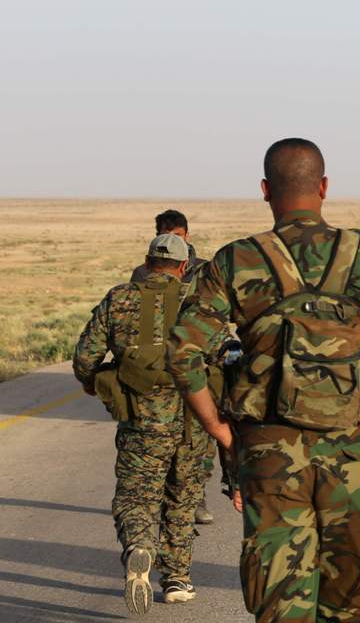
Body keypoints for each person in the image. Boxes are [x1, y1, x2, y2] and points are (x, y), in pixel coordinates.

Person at [167, 137, 360, 622]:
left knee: (281, 600)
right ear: (325, 187)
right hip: (358, 455)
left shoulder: (237, 260)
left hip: (271, 458)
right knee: (356, 600)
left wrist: (223, 433)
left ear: (266, 190)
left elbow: (182, 352)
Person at [73, 234, 230, 615]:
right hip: (195, 418)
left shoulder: (120, 298)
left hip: (142, 421)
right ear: (182, 267)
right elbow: (225, 355)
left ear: (146, 263)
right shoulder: (198, 304)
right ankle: (176, 579)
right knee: (183, 496)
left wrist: (93, 383)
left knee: (136, 495)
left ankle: (140, 546)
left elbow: (85, 356)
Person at [130, 208, 219, 525]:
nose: (170, 240)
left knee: (199, 442)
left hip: (194, 361)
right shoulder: (142, 274)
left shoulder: (204, 270)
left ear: (187, 235)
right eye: (164, 235)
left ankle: (195, 496)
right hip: (157, 367)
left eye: (177, 235)